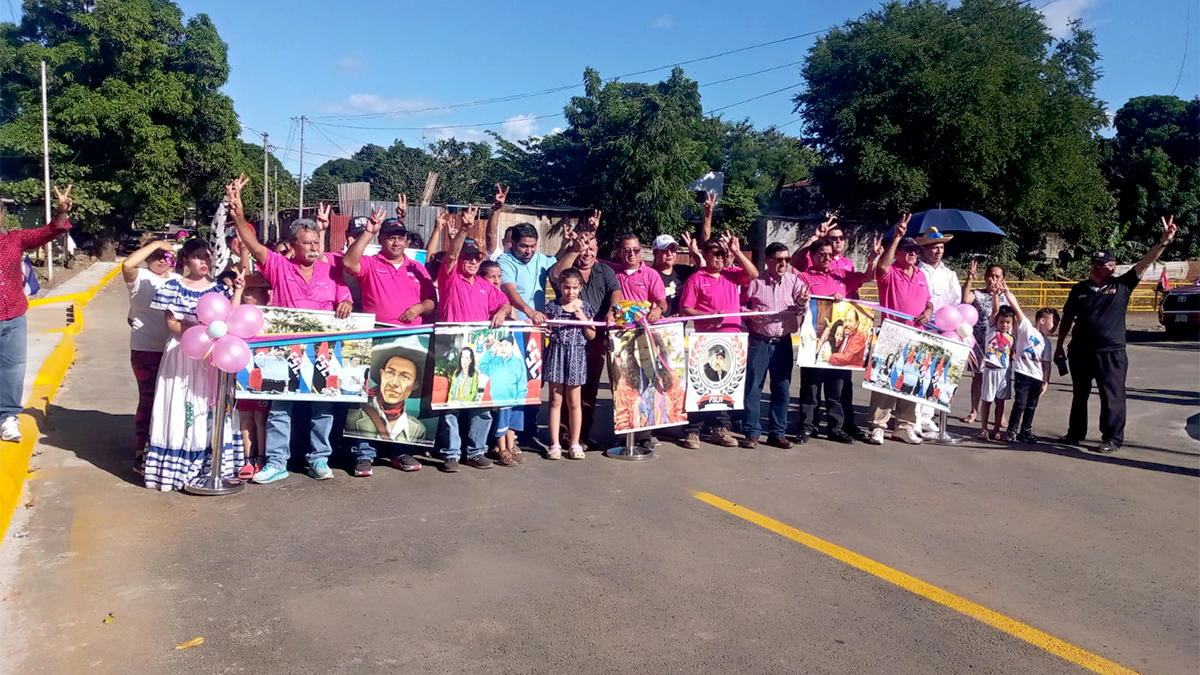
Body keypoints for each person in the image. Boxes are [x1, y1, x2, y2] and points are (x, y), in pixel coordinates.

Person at [226, 174, 357, 483]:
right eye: (306, 242)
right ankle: (275, 462)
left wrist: (347, 303)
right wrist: (240, 215)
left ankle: (318, 459)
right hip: (284, 349)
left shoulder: (331, 269)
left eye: (316, 242)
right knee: (280, 407)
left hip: (323, 349)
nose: (312, 247)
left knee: (321, 409)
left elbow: (344, 296)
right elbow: (252, 243)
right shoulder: (278, 266)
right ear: (294, 244)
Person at [1056, 216, 1177, 453]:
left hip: (1111, 352)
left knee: (1111, 396)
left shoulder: (1122, 285)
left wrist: (1163, 241)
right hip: (1080, 350)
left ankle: (1111, 438)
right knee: (1079, 394)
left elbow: (1145, 262)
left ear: (1111, 267)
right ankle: (1075, 433)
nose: (1094, 267)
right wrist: (1060, 345)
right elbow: (1068, 317)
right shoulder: (1079, 289)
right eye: (1093, 264)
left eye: (1099, 265)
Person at [142, 237, 246, 490]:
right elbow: (172, 324)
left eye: (207, 256)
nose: (204, 261)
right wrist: (200, 327)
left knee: (209, 404)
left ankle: (212, 466)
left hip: (213, 355)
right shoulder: (174, 286)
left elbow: (230, 318)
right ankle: (178, 467)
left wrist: (240, 290)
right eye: (198, 256)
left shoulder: (219, 288)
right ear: (186, 260)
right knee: (181, 404)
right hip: (182, 354)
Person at [435, 204, 513, 472]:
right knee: (451, 404)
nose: (471, 261)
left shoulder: (484, 285)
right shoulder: (450, 278)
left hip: (480, 351)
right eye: (467, 257)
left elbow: (505, 303)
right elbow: (452, 256)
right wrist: (464, 231)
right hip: (452, 349)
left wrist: (502, 311)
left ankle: (476, 451)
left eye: (475, 258)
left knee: (481, 404)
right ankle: (451, 454)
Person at [0, 186, 73, 443]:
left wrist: (62, 212)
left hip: (14, 316)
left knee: (13, 369)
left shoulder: (14, 239)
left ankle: (7, 418)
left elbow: (49, 231)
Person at [794, 237, 881, 443]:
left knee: (837, 389)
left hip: (840, 343)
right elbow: (797, 302)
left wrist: (872, 259)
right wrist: (802, 301)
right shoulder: (804, 278)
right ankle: (808, 426)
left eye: (829, 254)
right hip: (813, 340)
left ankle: (836, 427)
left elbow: (868, 277)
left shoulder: (842, 275)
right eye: (821, 254)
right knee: (811, 388)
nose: (826, 258)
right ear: (812, 256)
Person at [549, 212, 622, 450]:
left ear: (598, 249)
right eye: (583, 248)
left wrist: (613, 310)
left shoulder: (605, 271)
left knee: (588, 389)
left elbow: (615, 292)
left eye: (591, 248)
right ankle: (560, 437)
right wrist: (573, 248)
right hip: (565, 342)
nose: (587, 253)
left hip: (594, 338)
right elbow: (556, 274)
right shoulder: (569, 272)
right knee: (559, 393)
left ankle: (580, 435)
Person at [678, 232, 759, 448]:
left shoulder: (732, 275)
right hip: (706, 341)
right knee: (702, 386)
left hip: (731, 342)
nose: (720, 258)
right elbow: (685, 308)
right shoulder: (696, 279)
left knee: (725, 389)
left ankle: (719, 429)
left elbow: (753, 274)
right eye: (716, 254)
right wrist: (707, 319)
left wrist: (737, 252)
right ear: (705, 254)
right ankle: (693, 430)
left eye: (723, 254)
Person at [866, 215, 933, 446]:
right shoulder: (890, 272)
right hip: (892, 334)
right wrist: (896, 238)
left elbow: (928, 301)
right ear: (898, 252)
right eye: (907, 249)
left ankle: (904, 426)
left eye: (915, 250)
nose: (913, 253)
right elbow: (881, 266)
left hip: (916, 335)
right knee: (885, 383)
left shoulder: (922, 275)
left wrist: (929, 310)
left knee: (910, 383)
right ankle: (878, 426)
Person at [740, 242, 809, 449]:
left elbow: (803, 307)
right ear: (768, 260)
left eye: (787, 260)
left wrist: (801, 302)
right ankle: (752, 432)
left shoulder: (794, 282)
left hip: (783, 343)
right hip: (759, 341)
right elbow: (740, 305)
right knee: (753, 387)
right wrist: (750, 315)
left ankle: (777, 433)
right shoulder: (755, 283)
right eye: (779, 259)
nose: (784, 264)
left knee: (782, 388)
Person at [122, 238, 177, 468]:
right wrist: (157, 245)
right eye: (156, 256)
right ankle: (141, 447)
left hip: (174, 349)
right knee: (149, 399)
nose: (161, 261)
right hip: (146, 349)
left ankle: (162, 445)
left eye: (166, 257)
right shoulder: (140, 278)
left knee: (170, 402)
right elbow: (127, 265)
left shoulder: (178, 280)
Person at [498, 220, 554, 444]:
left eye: (533, 246)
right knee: (512, 381)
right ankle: (507, 431)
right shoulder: (505, 261)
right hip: (513, 330)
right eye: (524, 246)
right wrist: (529, 311)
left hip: (537, 331)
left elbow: (560, 265)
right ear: (513, 244)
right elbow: (509, 290)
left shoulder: (540, 259)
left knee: (534, 381)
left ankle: (528, 429)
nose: (529, 251)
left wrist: (574, 246)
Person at [543, 267, 597, 460]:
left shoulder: (586, 307)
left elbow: (591, 335)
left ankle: (575, 443)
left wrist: (584, 320)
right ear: (560, 287)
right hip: (556, 353)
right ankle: (555, 443)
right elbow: (545, 330)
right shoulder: (552, 307)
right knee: (555, 400)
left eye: (574, 288)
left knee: (574, 402)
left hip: (576, 354)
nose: (570, 292)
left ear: (580, 287)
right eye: (567, 288)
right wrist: (546, 332)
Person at [915, 227, 961, 438]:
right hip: (920, 325)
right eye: (934, 248)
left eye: (941, 248)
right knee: (917, 370)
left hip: (942, 328)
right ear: (924, 249)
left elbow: (955, 302)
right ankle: (913, 416)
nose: (938, 251)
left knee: (936, 372)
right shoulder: (917, 271)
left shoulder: (949, 275)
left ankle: (928, 415)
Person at [1002, 287, 1060, 443]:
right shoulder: (1027, 329)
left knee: (1031, 405)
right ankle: (1012, 430)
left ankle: (1025, 430)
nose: (1054, 326)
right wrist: (1007, 292)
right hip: (1023, 373)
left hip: (1037, 377)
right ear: (1042, 319)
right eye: (1053, 322)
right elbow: (1017, 308)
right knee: (1020, 403)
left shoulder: (1047, 343)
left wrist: (1046, 382)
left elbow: (1047, 364)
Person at [961, 261, 1009, 424]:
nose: (993, 279)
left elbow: (1014, 319)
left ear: (1002, 279)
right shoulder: (978, 293)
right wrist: (969, 279)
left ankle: (1000, 415)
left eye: (997, 276)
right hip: (979, 342)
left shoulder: (1007, 297)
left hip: (999, 345)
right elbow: (965, 299)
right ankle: (974, 411)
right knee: (978, 377)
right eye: (990, 275)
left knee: (999, 379)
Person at [346, 349, 426, 445]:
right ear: (381, 375)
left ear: (415, 385)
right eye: (390, 373)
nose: (394, 383)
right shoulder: (353, 416)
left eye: (405, 377)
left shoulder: (417, 429)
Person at [234, 272, 270, 480]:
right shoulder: (238, 314)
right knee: (246, 415)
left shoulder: (272, 314)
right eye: (247, 291)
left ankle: (262, 457)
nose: (248, 295)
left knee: (261, 417)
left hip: (266, 374)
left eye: (253, 291)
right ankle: (248, 458)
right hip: (243, 372)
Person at [650, 233, 702, 316]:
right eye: (664, 250)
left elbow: (704, 272)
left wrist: (695, 254)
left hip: (679, 324)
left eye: (673, 249)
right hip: (659, 324)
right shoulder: (650, 274)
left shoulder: (682, 271)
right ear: (655, 253)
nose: (669, 253)